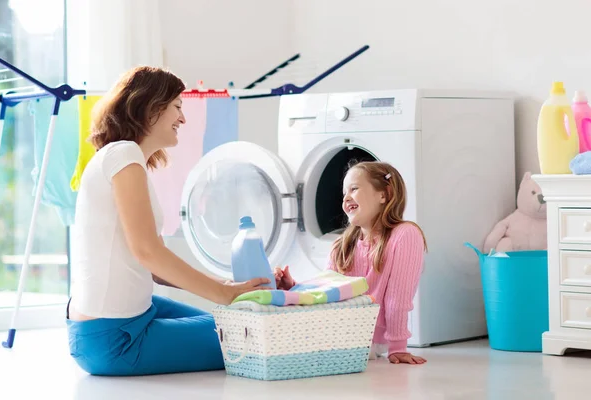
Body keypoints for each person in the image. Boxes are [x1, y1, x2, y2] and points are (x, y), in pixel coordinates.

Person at [66, 66, 270, 376]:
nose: (183, 118)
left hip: (126, 318)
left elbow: (155, 269)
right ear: (150, 108)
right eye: (177, 106)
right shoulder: (123, 155)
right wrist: (226, 295)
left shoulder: (125, 158)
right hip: (114, 338)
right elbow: (148, 252)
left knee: (243, 324)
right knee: (256, 338)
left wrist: (230, 287)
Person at [275, 161, 427, 365]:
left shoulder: (405, 235)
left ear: (384, 195)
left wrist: (398, 348)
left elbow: (397, 299)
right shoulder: (342, 244)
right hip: (339, 331)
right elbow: (327, 292)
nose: (346, 198)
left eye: (354, 189)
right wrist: (293, 289)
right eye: (344, 193)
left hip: (363, 338)